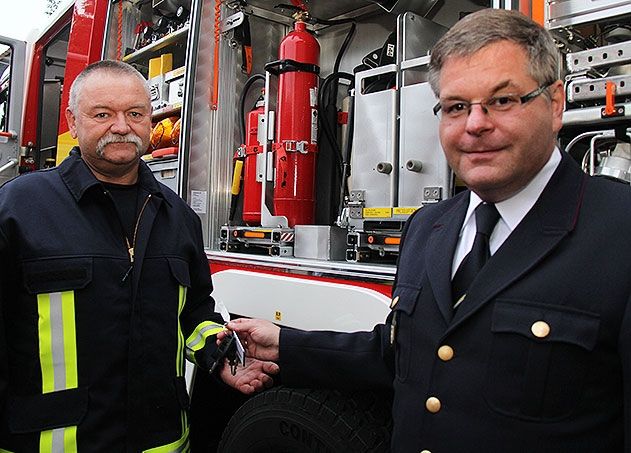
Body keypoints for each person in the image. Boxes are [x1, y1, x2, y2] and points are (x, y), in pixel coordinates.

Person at [224, 8, 631, 452]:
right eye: (456, 107)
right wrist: (285, 344)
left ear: (555, 104)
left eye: (503, 100)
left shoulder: (618, 232)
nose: (475, 124)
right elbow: (403, 356)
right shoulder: (428, 227)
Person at [0, 60, 277, 452]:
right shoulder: (19, 208)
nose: (121, 126)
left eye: (135, 113)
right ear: (73, 121)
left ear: (150, 120)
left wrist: (221, 355)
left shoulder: (177, 216)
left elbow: (194, 313)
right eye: (102, 114)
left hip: (161, 441)